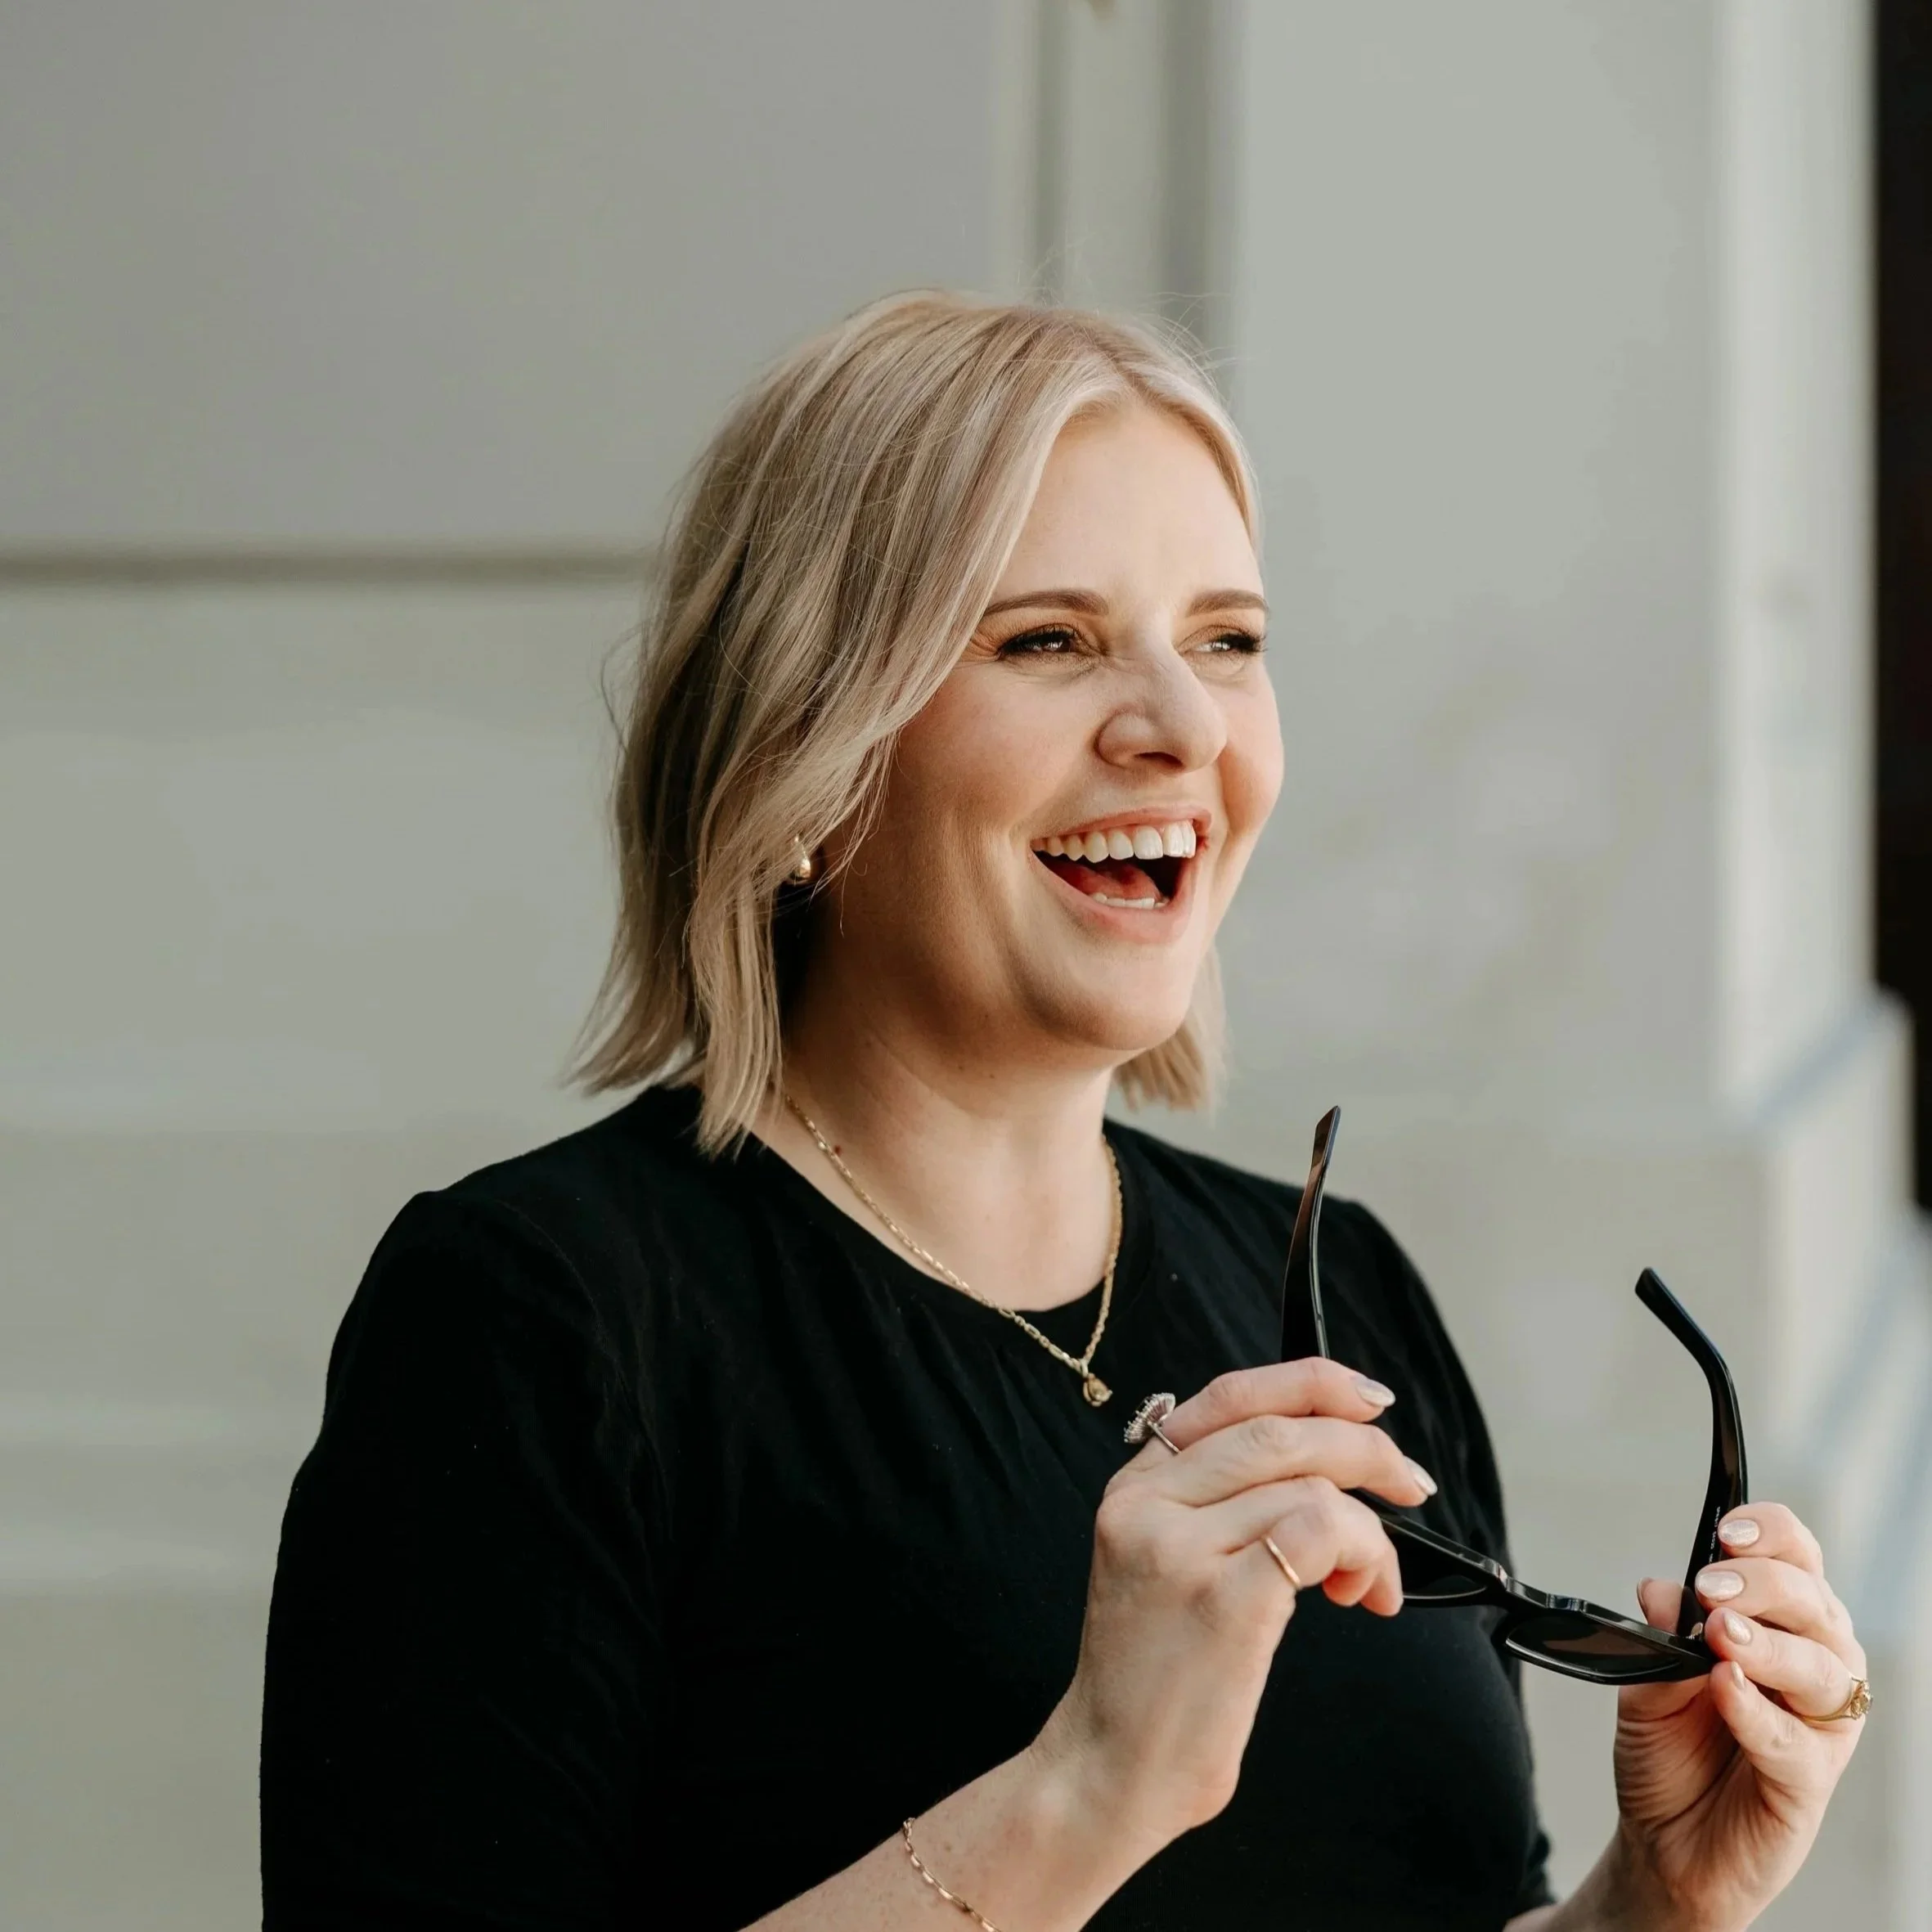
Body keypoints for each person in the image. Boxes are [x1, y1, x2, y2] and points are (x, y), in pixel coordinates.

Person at [259, 294, 1867, 1932]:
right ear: (811, 751)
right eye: (1048, 639)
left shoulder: (1337, 1285)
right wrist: (1089, 1785)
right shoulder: (534, 1321)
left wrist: (1650, 1903)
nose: (1179, 726)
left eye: (1226, 638)